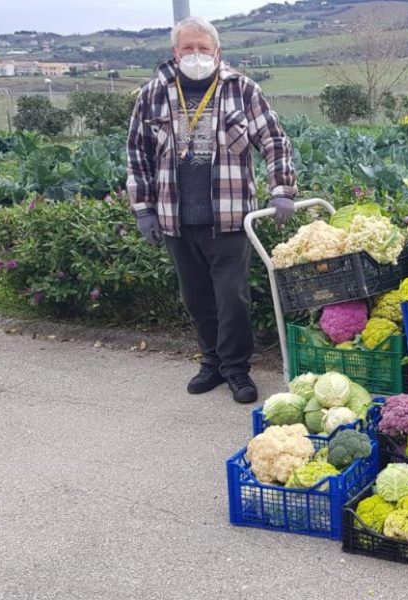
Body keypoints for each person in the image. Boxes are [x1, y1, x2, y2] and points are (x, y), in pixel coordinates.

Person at [126, 16, 297, 403]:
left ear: (217, 51)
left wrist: (282, 189)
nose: (196, 55)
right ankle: (212, 362)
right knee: (197, 298)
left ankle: (237, 369)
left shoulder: (242, 90)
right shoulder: (153, 94)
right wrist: (143, 209)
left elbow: (274, 140)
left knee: (233, 299)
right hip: (177, 219)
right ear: (175, 52)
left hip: (231, 218)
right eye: (188, 48)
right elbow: (137, 155)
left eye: (204, 48)